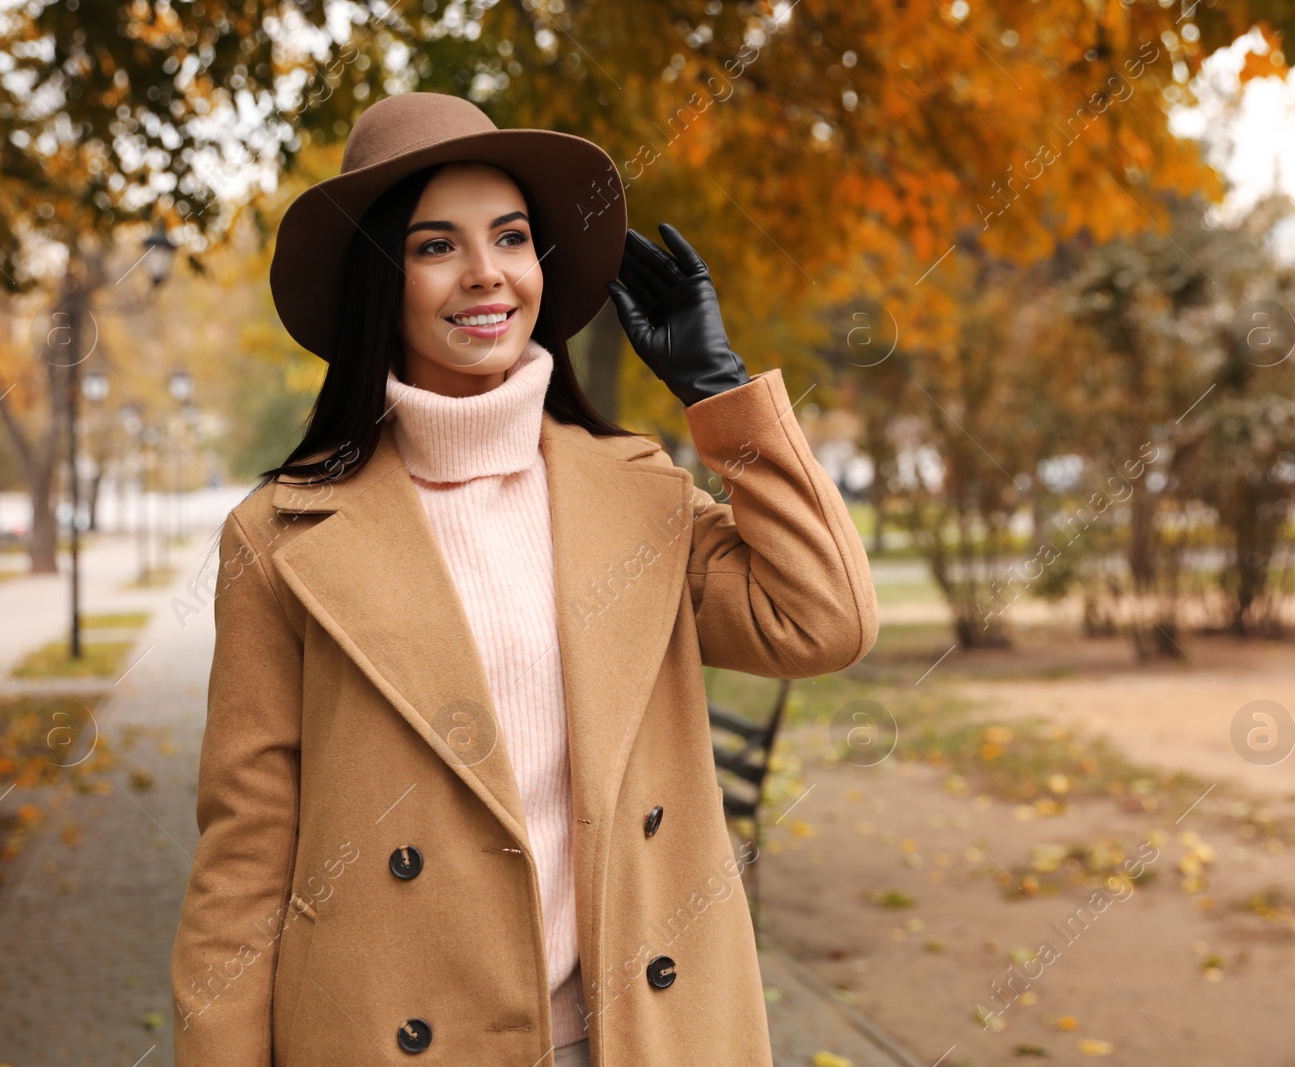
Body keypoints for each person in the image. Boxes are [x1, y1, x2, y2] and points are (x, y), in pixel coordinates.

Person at [170, 90, 878, 1067]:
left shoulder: (634, 492)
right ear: (384, 277)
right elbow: (243, 865)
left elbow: (823, 619)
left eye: (509, 237)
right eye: (435, 246)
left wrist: (721, 395)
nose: (485, 274)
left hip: (638, 1035)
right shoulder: (280, 538)